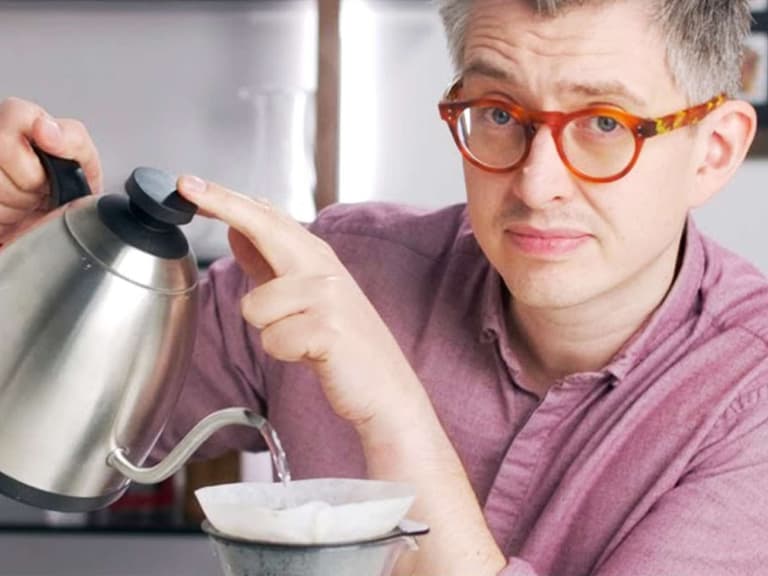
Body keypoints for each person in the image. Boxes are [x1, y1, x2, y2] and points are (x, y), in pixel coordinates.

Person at [0, 0, 765, 574]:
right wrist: (40, 276)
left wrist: (392, 406)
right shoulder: (350, 266)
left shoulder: (751, 401)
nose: (536, 184)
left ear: (715, 150)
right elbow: (58, 437)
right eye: (499, 112)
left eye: (605, 125)